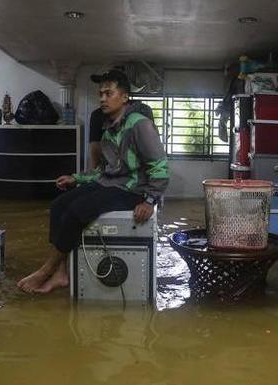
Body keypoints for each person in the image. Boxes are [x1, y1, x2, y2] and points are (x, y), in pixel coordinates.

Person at [17, 70, 169, 293]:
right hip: (112, 184)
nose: (102, 99)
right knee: (59, 205)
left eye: (109, 93)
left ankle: (46, 270)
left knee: (77, 211)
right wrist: (76, 178)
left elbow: (161, 167)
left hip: (132, 190)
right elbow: (106, 170)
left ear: (125, 97)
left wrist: (149, 201)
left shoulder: (139, 124)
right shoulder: (110, 128)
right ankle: (61, 274)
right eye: (100, 94)